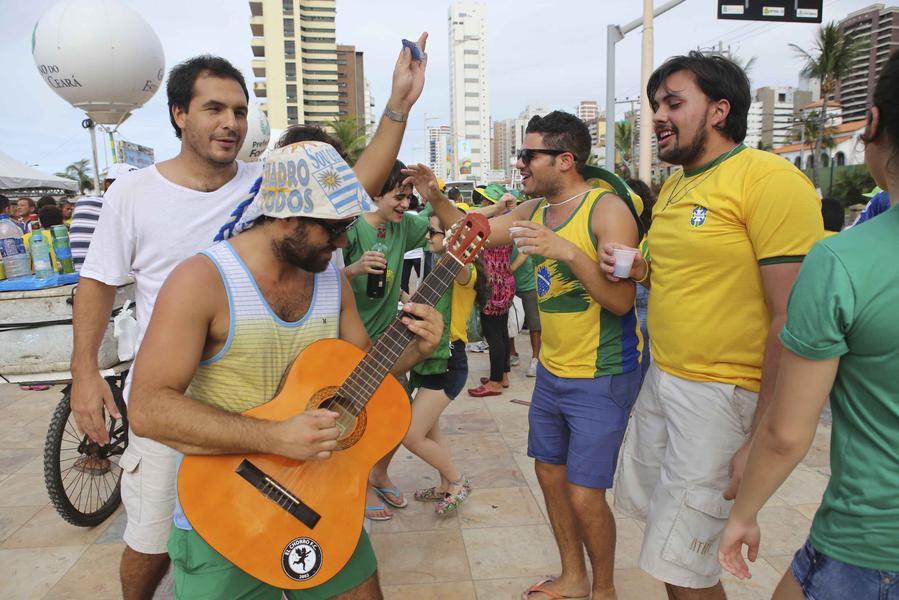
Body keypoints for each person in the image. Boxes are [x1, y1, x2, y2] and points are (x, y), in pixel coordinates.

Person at [72, 33, 428, 599]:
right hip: (198, 412)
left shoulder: (281, 197)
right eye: (215, 108)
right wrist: (85, 372)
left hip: (295, 445)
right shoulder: (141, 202)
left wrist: (397, 108)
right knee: (150, 540)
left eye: (240, 110)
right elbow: (102, 297)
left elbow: (343, 193)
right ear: (178, 114)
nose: (231, 122)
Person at [128, 141, 444, 599]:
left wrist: (414, 350)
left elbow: (363, 373)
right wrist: (274, 437)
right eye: (332, 230)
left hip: (321, 500)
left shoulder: (330, 276)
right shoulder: (202, 281)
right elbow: (148, 409)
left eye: (347, 227)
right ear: (286, 217)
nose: (341, 243)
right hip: (227, 507)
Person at [601, 51, 823, 600]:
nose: (658, 115)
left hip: (723, 396)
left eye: (674, 102)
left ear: (720, 110)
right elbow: (678, 273)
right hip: (666, 378)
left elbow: (791, 317)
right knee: (667, 535)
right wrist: (637, 265)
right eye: (656, 104)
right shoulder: (676, 186)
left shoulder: (768, 180)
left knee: (684, 563)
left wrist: (759, 436)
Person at [407, 109, 644, 600]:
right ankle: (573, 578)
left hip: (602, 374)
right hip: (554, 374)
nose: (519, 164)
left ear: (564, 158)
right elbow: (469, 236)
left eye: (527, 154)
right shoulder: (534, 211)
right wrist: (435, 197)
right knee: (550, 477)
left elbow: (622, 301)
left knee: (584, 494)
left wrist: (568, 252)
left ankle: (605, 590)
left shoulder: (606, 210)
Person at [719, 49, 899, 600]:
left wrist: (744, 513)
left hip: (870, 544)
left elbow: (787, 433)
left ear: (871, 124)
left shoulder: (843, 262)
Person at [342, 159, 428, 520]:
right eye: (398, 196)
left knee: (398, 412)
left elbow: (448, 224)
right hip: (345, 342)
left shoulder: (403, 227)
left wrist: (434, 194)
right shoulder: (349, 230)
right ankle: (356, 483)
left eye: (408, 197)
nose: (405, 204)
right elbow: (316, 283)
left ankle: (379, 471)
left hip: (388, 341)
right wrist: (354, 269)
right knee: (351, 420)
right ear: (374, 193)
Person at [406, 213, 488, 514]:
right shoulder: (439, 267)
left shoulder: (463, 272)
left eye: (434, 232)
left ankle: (456, 480)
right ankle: (444, 483)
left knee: (410, 435)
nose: (428, 237)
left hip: (449, 360)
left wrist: (460, 238)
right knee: (430, 431)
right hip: (431, 359)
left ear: (451, 239)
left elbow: (464, 269)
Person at [69, 163, 138, 272]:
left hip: (80, 276)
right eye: (129, 186)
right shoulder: (129, 209)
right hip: (113, 279)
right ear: (108, 185)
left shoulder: (83, 202)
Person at [468, 241, 515, 396]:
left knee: (493, 334)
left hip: (491, 284)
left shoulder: (492, 228)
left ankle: (494, 382)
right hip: (506, 282)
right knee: (502, 331)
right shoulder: (508, 224)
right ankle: (502, 376)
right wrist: (510, 269)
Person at [625, 177, 656, 381]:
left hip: (633, 289)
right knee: (644, 348)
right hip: (646, 291)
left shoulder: (625, 227)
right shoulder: (655, 227)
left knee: (633, 346)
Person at [23, 204, 64, 272]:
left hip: (41, 279)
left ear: (40, 222)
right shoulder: (68, 236)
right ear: (62, 219)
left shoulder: (25, 238)